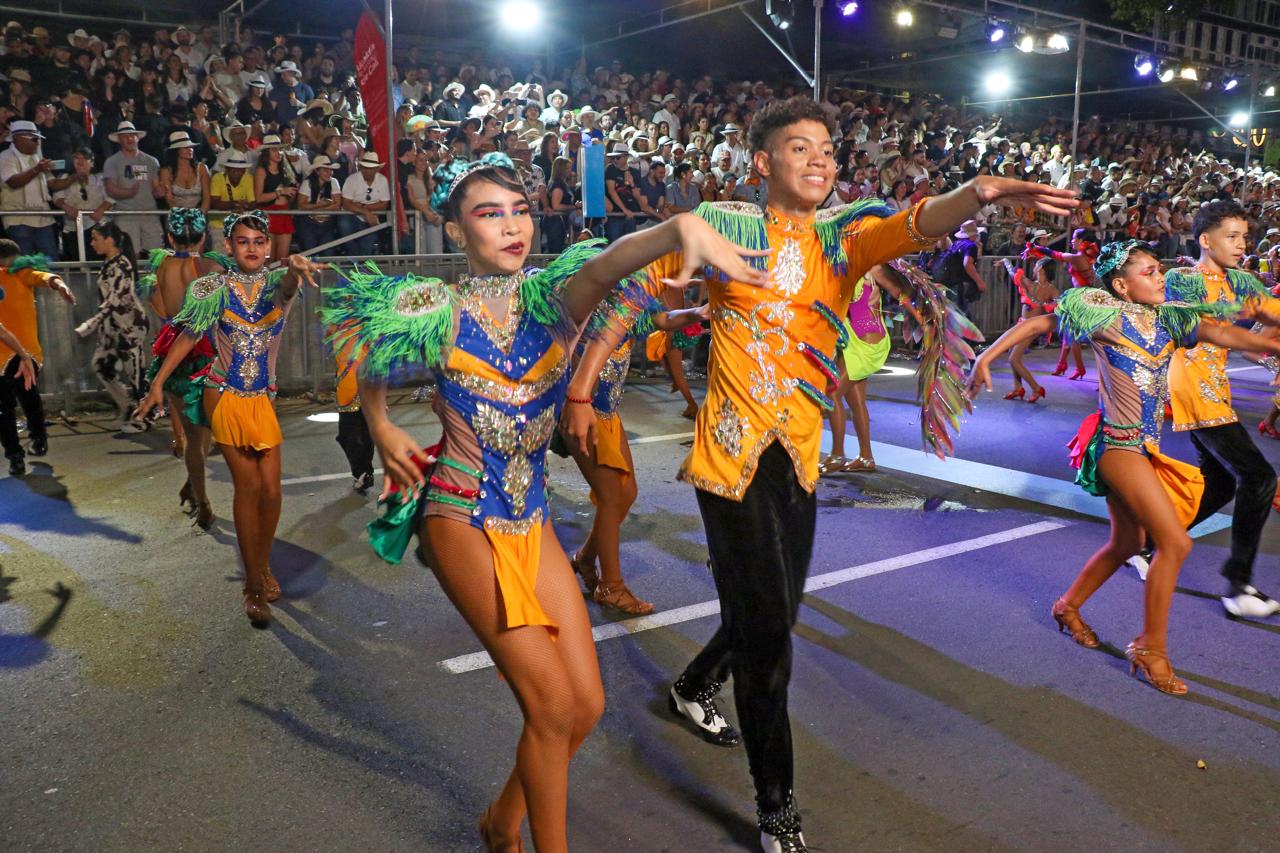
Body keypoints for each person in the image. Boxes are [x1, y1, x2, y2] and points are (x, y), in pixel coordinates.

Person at [560, 95, 1076, 853]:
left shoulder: (845, 239)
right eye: (800, 147)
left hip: (799, 455)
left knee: (773, 610)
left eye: (829, 149)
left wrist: (983, 192)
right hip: (730, 458)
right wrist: (580, 385)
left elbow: (919, 222)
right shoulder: (722, 227)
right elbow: (633, 292)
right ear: (763, 161)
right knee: (769, 637)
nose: (820, 159)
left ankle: (696, 681)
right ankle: (777, 808)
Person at [324, 151, 766, 853]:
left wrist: (678, 226)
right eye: (488, 213)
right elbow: (369, 354)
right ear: (455, 228)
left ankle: (502, 819)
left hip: (532, 517)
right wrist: (378, 422)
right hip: (459, 513)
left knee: (585, 705)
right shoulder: (432, 308)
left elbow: (611, 263)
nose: (510, 226)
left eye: (520, 210)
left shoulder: (555, 300)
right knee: (552, 704)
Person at [969, 240, 1280, 695]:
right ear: (1121, 285)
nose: (1161, 277)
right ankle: (1151, 647)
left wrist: (1266, 338)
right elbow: (1039, 321)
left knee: (1127, 542)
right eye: (1150, 272)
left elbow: (1234, 337)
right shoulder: (1106, 320)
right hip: (1117, 446)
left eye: (1160, 270)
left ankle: (1067, 606)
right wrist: (986, 356)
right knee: (1174, 542)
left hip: (1144, 450)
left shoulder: (1170, 323)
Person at [136, 211, 325, 626]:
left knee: (272, 493)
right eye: (243, 241)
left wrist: (293, 268)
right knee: (249, 487)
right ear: (228, 247)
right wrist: (158, 384)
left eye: (260, 240)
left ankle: (261, 565)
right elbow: (187, 334)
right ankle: (254, 584)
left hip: (263, 399)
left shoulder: (279, 284)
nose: (253, 248)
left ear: (270, 246)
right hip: (221, 394)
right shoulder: (211, 288)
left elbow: (291, 286)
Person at [1164, 200, 1280, 618]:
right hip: (1191, 387)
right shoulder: (1183, 277)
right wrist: (1239, 311)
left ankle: (1147, 544)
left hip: (1215, 389)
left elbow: (1273, 311)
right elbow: (1201, 321)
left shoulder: (1242, 280)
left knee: (1220, 484)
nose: (1241, 244)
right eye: (1232, 236)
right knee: (1259, 476)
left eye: (1244, 236)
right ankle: (1238, 585)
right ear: (1205, 240)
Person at [562, 299, 710, 615]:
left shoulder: (628, 305)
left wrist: (696, 313)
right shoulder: (583, 306)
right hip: (583, 413)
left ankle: (586, 558)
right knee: (612, 496)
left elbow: (664, 319)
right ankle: (611, 587)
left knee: (626, 494)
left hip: (609, 416)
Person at [142, 207, 228, 529]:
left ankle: (200, 496)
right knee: (204, 434)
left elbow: (163, 308)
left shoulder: (161, 266)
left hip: (174, 354)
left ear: (168, 236)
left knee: (193, 437)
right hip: (206, 353)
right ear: (204, 236)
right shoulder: (210, 266)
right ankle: (199, 493)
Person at [820, 263, 919, 473]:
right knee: (854, 401)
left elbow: (901, 292)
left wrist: (924, 323)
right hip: (852, 341)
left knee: (832, 394)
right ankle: (866, 458)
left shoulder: (872, 267)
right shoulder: (842, 266)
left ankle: (837, 455)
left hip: (868, 344)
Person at [0, 240, 76, 476]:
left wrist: (58, 283)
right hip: (24, 352)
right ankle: (35, 440)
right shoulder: (23, 274)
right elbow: (46, 277)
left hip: (12, 353)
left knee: (7, 407)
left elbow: (44, 277)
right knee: (28, 398)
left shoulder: (22, 273)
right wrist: (60, 284)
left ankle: (17, 454)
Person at [75, 221, 149, 433]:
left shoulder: (121, 265)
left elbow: (116, 300)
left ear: (109, 240)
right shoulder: (109, 263)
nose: (92, 243)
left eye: (95, 239)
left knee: (136, 375)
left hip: (129, 326)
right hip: (113, 327)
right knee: (101, 365)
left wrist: (91, 323)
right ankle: (128, 407)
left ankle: (144, 416)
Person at [1024, 228, 1099, 379]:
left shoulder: (1078, 258)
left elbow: (1056, 255)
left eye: (1074, 238)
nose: (1071, 241)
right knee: (1068, 333)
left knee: (1072, 336)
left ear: (1082, 242)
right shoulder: (1089, 257)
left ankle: (1079, 368)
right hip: (1086, 298)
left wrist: (1035, 247)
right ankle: (1063, 364)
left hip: (1080, 301)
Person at [999, 249, 1060, 402]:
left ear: (1040, 269)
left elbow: (1060, 303)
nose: (1033, 268)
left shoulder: (1052, 290)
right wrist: (1006, 261)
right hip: (1022, 324)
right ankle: (1018, 388)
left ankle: (1037, 388)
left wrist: (1051, 305)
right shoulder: (1030, 283)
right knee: (1014, 357)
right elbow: (1013, 273)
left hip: (1032, 329)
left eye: (1036, 265)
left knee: (1013, 359)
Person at [102, 120, 165, 254]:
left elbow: (155, 187)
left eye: (132, 135)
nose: (130, 138)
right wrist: (128, 192)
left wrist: (159, 191)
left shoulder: (151, 161)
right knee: (129, 254)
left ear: (137, 137)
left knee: (156, 254)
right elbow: (110, 188)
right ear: (119, 139)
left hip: (150, 213)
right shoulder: (112, 162)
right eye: (125, 136)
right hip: (125, 215)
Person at [0, 120, 60, 259]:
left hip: (42, 217)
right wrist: (37, 169)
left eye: (37, 139)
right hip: (18, 217)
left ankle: (49, 281)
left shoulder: (37, 158)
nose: (37, 142)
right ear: (17, 139)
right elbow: (13, 182)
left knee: (50, 260)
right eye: (33, 139)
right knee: (24, 262)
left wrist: (74, 177)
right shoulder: (5, 157)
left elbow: (53, 184)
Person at [52, 148, 110, 260]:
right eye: (76, 158)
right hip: (72, 226)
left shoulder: (101, 178)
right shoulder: (64, 178)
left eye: (84, 158)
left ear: (92, 162)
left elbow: (111, 197)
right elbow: (57, 197)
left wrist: (101, 209)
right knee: (75, 260)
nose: (80, 161)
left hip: (97, 225)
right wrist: (66, 207)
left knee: (97, 260)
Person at [253, 134, 298, 262]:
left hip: (284, 212)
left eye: (279, 149)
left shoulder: (286, 171)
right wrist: (280, 192)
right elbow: (259, 198)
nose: (278, 153)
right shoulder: (261, 171)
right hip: (269, 214)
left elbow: (292, 196)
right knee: (268, 259)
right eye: (274, 150)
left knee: (282, 259)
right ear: (266, 153)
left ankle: (279, 282)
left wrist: (292, 194)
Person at [339, 151, 389, 255]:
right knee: (344, 224)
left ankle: (357, 260)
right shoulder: (352, 180)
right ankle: (357, 259)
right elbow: (346, 204)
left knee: (367, 245)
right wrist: (366, 213)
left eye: (370, 168)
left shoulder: (383, 180)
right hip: (353, 217)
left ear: (376, 169)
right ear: (361, 167)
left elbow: (384, 204)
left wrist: (362, 207)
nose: (367, 171)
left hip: (371, 219)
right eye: (365, 168)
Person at [296, 154, 344, 252]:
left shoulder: (334, 182)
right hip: (308, 223)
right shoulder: (307, 183)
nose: (329, 173)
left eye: (330, 170)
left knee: (328, 255)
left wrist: (316, 210)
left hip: (327, 223)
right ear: (317, 171)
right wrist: (322, 205)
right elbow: (300, 206)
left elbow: (337, 205)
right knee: (310, 253)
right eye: (326, 170)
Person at [157, 130, 210, 212]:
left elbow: (206, 197)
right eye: (186, 147)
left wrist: (199, 215)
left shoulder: (202, 168)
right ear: (176, 150)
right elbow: (169, 200)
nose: (191, 150)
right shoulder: (166, 171)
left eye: (191, 147)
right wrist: (182, 216)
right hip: (176, 216)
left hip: (198, 215)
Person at [208, 152, 256, 233]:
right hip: (219, 225)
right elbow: (214, 203)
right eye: (233, 169)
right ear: (227, 169)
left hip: (240, 224)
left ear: (244, 171)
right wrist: (236, 204)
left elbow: (253, 203)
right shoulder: (217, 178)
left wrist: (245, 206)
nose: (236, 172)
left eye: (240, 169)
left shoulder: (248, 178)